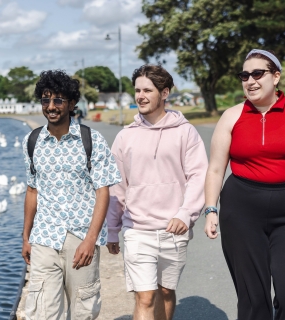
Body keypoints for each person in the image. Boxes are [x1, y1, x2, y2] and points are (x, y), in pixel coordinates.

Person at [204, 49, 285, 319]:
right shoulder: (232, 115)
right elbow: (216, 168)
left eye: (258, 73)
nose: (250, 80)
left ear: (276, 77)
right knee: (253, 300)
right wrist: (211, 209)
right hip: (241, 211)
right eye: (245, 75)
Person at [106, 64, 208, 320]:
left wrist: (186, 214)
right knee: (145, 296)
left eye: (147, 90)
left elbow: (199, 176)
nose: (140, 96)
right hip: (137, 229)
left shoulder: (186, 132)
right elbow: (117, 187)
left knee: (164, 291)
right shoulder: (124, 137)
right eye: (137, 90)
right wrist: (112, 230)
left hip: (174, 229)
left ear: (165, 93)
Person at [21, 70, 121, 320]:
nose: (51, 106)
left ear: (72, 103)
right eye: (46, 100)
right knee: (42, 313)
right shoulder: (32, 141)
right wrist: (26, 236)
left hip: (80, 237)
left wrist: (91, 239)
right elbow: (32, 190)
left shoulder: (91, 140)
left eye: (58, 100)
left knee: (82, 312)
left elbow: (102, 192)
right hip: (45, 237)